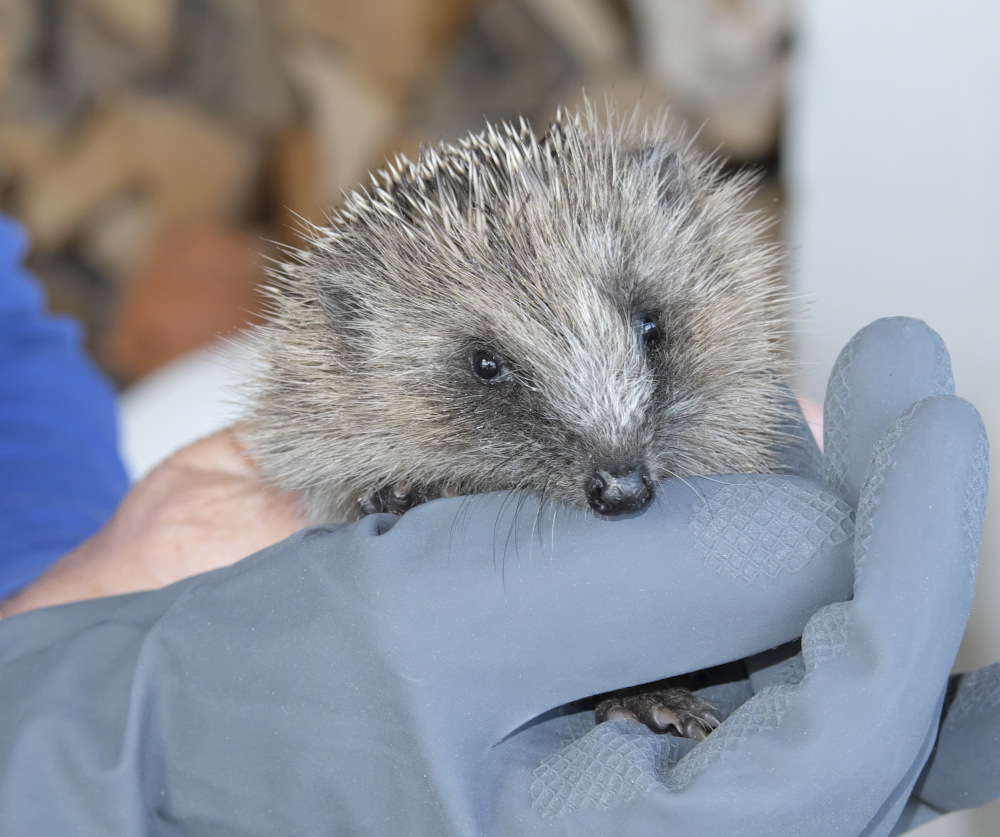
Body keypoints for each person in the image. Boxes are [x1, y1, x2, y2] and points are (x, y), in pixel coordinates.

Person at [0, 215, 996, 835]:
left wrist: (57, 584)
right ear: (357, 340)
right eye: (488, 372)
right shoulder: (354, 402)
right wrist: (101, 733)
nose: (622, 468)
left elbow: (12, 350)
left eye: (640, 333)